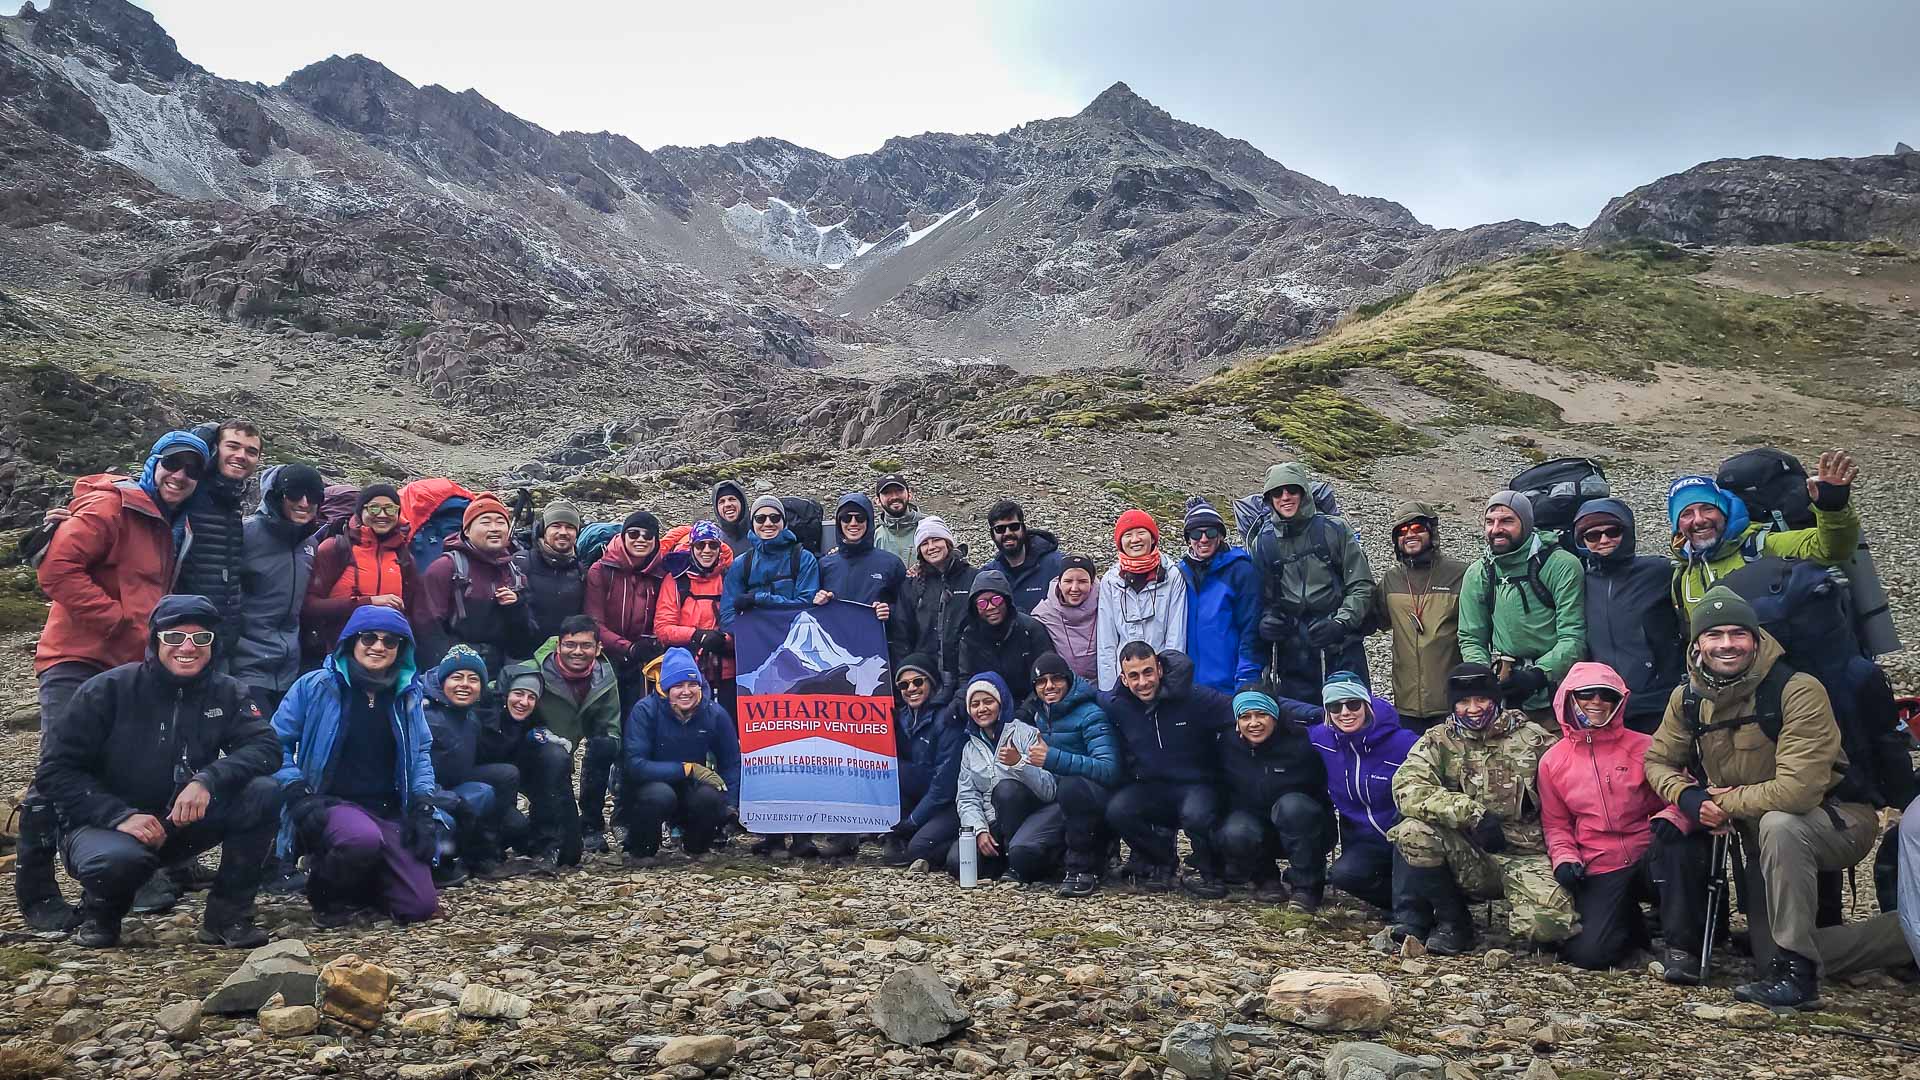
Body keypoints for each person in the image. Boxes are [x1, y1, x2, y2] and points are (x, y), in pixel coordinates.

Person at [1643, 587, 1905, 1006]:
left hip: (1835, 820)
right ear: (1697, 646)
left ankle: (1799, 978)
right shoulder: (1688, 698)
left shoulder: (1797, 690)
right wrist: (1691, 799)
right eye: (1714, 635)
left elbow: (1798, 791)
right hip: (1757, 838)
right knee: (1770, 959)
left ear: (1756, 638)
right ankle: (1904, 934)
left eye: (1737, 634)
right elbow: (1657, 761)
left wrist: (1722, 803)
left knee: (1780, 823)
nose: (1727, 644)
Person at [18, 429, 208, 931]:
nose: (181, 476)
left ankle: (117, 873)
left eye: (193, 471)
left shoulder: (176, 526)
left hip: (129, 666)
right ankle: (35, 889)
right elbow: (56, 569)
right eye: (173, 464)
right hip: (77, 657)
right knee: (59, 763)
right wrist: (121, 623)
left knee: (122, 764)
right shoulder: (113, 505)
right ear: (154, 463)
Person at [34, 595, 282, 948]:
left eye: (201, 638)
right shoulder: (106, 690)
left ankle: (228, 918)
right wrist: (119, 815)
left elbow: (267, 749)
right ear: (155, 642)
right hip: (105, 825)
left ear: (214, 644)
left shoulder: (228, 692)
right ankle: (101, 914)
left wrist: (208, 779)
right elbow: (54, 772)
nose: (188, 648)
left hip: (180, 822)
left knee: (263, 791)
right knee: (117, 861)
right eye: (175, 637)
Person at [272, 605, 444, 927]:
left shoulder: (407, 695)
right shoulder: (315, 686)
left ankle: (365, 881)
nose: (378, 647)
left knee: (418, 907)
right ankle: (325, 893)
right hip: (329, 805)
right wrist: (297, 792)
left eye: (390, 641)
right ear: (350, 641)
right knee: (360, 839)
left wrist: (423, 806)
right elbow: (272, 745)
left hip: (388, 809)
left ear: (401, 649)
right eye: (368, 637)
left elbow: (421, 752)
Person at [1389, 662, 1571, 955]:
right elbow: (1406, 788)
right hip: (1471, 853)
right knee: (1413, 831)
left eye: (1481, 699)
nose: (1473, 708)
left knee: (1548, 928)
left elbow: (1571, 789)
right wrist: (1471, 813)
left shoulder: (1534, 738)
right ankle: (1454, 923)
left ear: (1495, 699)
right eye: (1463, 701)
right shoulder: (1438, 740)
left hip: (1528, 855)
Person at [1538, 662, 1692, 971]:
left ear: (1619, 701)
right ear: (1569, 698)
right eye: (1587, 694)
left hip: (1650, 851)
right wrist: (1565, 858)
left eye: (1606, 695)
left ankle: (1683, 947)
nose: (1596, 702)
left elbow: (1685, 793)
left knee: (1683, 851)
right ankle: (1632, 926)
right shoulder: (1553, 761)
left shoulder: (1646, 747)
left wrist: (1675, 819)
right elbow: (1556, 824)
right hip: (1600, 862)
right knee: (1589, 955)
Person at [1100, 644, 1230, 896]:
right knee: (1118, 811)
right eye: (1134, 676)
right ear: (1123, 680)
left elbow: (1242, 707)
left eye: (1148, 672)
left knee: (1196, 815)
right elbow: (1079, 693)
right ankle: (1163, 859)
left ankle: (1210, 872)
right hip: (1151, 786)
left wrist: (1312, 714)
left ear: (1160, 669)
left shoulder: (1195, 697)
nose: (1143, 682)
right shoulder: (1118, 704)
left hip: (1197, 783)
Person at [1667, 450, 1860, 615]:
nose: (1699, 519)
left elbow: (1830, 549)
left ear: (1725, 512)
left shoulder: (1762, 545)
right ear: (1678, 525)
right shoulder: (1682, 574)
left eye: (1708, 509)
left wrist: (1832, 509)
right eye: (1686, 514)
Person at [1250, 463, 1373, 705]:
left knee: (1351, 717)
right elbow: (1262, 597)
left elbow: (1361, 584)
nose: (1285, 497)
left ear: (1304, 492)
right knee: (1300, 725)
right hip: (1292, 652)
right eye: (1277, 492)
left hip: (1340, 646)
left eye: (1292, 490)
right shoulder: (1263, 543)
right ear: (1269, 499)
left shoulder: (1335, 530)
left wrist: (1340, 623)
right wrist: (1267, 621)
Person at [1457, 491, 1585, 721]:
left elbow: (1573, 637)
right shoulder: (1479, 572)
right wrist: (1484, 677)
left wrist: (1538, 674)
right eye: (1490, 521)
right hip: (1502, 696)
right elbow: (1470, 636)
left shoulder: (1561, 565)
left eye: (1507, 521)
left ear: (1526, 523)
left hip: (1555, 695)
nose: (1496, 529)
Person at [1308, 672, 1421, 922]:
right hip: (1365, 842)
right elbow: (1281, 717)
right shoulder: (1322, 738)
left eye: (1353, 704)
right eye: (1335, 706)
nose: (1345, 712)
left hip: (1406, 838)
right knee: (1343, 874)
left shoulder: (1404, 742)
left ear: (1367, 704)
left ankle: (1416, 913)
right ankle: (1407, 905)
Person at [1568, 500, 1683, 735]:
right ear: (1582, 542)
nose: (1604, 540)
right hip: (1606, 701)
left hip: (1659, 699)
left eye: (1613, 531)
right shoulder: (1581, 580)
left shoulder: (1659, 571)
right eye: (1592, 536)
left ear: (1628, 532)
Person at [1212, 683, 1331, 908]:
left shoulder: (1302, 743)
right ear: (1237, 722)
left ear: (1275, 716)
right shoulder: (1227, 744)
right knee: (1234, 831)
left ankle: (1307, 887)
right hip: (1255, 826)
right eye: (1245, 717)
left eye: (1261, 715)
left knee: (1293, 808)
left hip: (1303, 827)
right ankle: (1265, 879)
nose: (1254, 723)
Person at [621, 647, 741, 862]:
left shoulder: (714, 713)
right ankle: (640, 848)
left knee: (709, 797)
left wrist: (730, 804)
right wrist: (687, 769)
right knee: (660, 796)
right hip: (650, 783)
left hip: (690, 788)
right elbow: (635, 764)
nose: (686, 691)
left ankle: (696, 846)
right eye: (677, 686)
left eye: (692, 684)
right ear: (666, 689)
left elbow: (731, 760)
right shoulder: (645, 710)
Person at [1365, 502, 1467, 733]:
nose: (1410, 534)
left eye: (1417, 528)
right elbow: (1371, 621)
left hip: (1452, 701)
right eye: (1402, 531)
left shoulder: (1461, 574)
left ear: (1432, 532)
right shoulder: (1391, 579)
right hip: (1406, 704)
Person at [1027, 652, 1122, 898]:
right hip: (1058, 797)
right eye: (1041, 681)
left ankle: (1083, 868)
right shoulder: (1040, 716)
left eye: (1056, 679)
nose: (1049, 686)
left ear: (1068, 680)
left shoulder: (1091, 714)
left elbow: (1108, 769)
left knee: (1071, 787)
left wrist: (1053, 758)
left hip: (1094, 796)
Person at [950, 671, 1061, 882]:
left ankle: (1017, 860)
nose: (982, 709)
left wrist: (1018, 764)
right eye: (975, 704)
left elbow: (1049, 790)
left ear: (1001, 703)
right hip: (992, 821)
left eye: (988, 702)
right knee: (958, 863)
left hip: (1027, 813)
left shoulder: (1026, 733)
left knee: (1006, 789)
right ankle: (1000, 861)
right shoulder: (970, 747)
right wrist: (979, 830)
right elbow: (966, 796)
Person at [233, 464, 326, 713]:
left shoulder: (310, 544)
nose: (305, 503)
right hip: (246, 668)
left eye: (314, 495)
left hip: (289, 671)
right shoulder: (245, 533)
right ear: (277, 495)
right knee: (260, 746)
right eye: (294, 493)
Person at [422, 646, 520, 882]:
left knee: (505, 776)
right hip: (427, 795)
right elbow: (414, 777)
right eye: (456, 677)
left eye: (473, 679)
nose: (464, 684)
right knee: (447, 816)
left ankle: (484, 853)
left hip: (454, 781)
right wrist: (451, 801)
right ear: (443, 681)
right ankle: (438, 862)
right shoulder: (427, 715)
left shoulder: (469, 714)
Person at [531, 615, 623, 855]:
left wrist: (611, 743)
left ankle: (592, 823)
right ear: (558, 645)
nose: (577, 651)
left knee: (606, 746)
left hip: (578, 736)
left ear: (598, 647)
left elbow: (610, 724)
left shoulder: (604, 675)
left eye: (586, 645)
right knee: (555, 761)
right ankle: (546, 829)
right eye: (570, 645)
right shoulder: (535, 670)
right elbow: (502, 689)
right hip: (541, 746)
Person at [417, 492, 537, 673]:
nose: (494, 528)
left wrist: (516, 607)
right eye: (485, 522)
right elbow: (428, 630)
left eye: (500, 522)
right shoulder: (445, 568)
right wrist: (450, 671)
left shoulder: (514, 572)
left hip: (499, 672)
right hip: (455, 672)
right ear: (466, 531)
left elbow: (523, 643)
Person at [304, 484, 421, 665]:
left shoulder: (404, 557)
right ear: (360, 512)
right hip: (335, 654)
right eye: (374, 507)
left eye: (390, 508)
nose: (382, 515)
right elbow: (310, 606)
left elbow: (413, 611)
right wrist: (368, 602)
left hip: (385, 659)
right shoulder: (335, 549)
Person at [176, 420, 264, 658]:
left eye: (251, 451)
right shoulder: (188, 492)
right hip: (180, 638)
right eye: (232, 446)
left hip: (218, 640)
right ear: (215, 450)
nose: (241, 455)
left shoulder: (232, 503)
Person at [884, 655, 966, 868]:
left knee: (918, 850)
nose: (911, 688)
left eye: (918, 681)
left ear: (931, 682)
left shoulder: (947, 719)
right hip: (921, 795)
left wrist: (913, 821)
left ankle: (962, 846)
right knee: (890, 771)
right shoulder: (898, 718)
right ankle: (899, 835)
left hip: (948, 803)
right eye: (903, 684)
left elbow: (944, 784)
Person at [587, 509, 667, 719]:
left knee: (639, 718)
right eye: (633, 534)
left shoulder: (661, 574)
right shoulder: (600, 570)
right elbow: (594, 622)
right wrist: (628, 648)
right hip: (607, 656)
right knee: (607, 720)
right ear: (622, 536)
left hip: (645, 658)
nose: (640, 539)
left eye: (648, 535)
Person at [1096, 510, 1187, 691]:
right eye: (1128, 535)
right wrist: (1109, 692)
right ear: (1120, 543)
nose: (1135, 539)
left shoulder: (1172, 576)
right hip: (1124, 677)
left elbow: (1176, 636)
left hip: (1161, 675)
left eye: (1141, 532)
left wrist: (1170, 682)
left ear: (1153, 538)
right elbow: (1106, 641)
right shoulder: (1111, 581)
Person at [498, 660, 578, 865]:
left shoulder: (536, 722)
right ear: (506, 694)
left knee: (556, 758)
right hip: (495, 783)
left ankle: (548, 843)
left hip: (526, 774)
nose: (523, 702)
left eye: (531, 697)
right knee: (512, 823)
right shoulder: (488, 716)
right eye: (518, 694)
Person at [1176, 498, 1260, 694]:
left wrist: (1247, 677)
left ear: (1221, 536)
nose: (1203, 539)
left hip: (1229, 685)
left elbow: (1251, 629)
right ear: (1188, 539)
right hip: (1189, 688)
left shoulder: (1241, 570)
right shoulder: (1179, 573)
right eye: (1196, 533)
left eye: (1211, 532)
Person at [654, 521, 736, 715]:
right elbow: (663, 628)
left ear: (719, 548)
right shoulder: (676, 580)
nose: (706, 550)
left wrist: (725, 639)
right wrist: (697, 635)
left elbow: (743, 623)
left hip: (727, 672)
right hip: (686, 673)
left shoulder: (730, 578)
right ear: (691, 548)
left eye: (712, 545)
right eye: (700, 545)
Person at [898, 516, 977, 701]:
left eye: (936, 540)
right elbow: (902, 633)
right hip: (926, 676)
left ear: (948, 542)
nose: (931, 547)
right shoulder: (912, 585)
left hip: (966, 671)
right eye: (924, 543)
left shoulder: (973, 577)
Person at [719, 496, 821, 629]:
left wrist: (760, 599)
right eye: (760, 518)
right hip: (755, 640)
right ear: (752, 524)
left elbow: (807, 605)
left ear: (784, 522)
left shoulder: (803, 559)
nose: (768, 523)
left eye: (775, 518)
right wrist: (757, 632)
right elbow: (727, 616)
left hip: (795, 638)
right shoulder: (742, 563)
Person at [817, 492, 907, 640]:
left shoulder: (891, 564)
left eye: (860, 517)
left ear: (869, 521)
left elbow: (906, 608)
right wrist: (818, 601)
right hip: (835, 646)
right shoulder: (825, 564)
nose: (853, 523)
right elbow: (810, 611)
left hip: (877, 647)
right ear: (839, 522)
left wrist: (888, 611)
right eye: (846, 518)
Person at [957, 570, 1056, 703]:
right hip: (988, 706)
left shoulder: (1031, 629)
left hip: (1030, 705)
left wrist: (1025, 712)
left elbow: (1046, 675)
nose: (991, 607)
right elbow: (966, 678)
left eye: (996, 600)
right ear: (975, 608)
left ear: (1007, 600)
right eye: (982, 603)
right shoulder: (969, 636)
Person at [513, 500, 589, 651]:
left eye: (570, 527)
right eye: (556, 526)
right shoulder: (521, 562)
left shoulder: (580, 570)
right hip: (522, 656)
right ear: (543, 530)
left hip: (564, 657)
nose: (563, 532)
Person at [981, 499, 1066, 614]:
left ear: (1024, 529)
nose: (1007, 533)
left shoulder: (1057, 565)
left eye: (1014, 527)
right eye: (1000, 529)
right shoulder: (988, 574)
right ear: (992, 535)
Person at [1032, 555, 1099, 682]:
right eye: (1068, 581)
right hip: (1062, 688)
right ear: (1059, 582)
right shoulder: (1044, 614)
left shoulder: (1105, 606)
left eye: (1082, 581)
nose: (1074, 588)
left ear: (1092, 583)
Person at [873, 473, 923, 565]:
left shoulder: (927, 527)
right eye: (887, 493)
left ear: (909, 494)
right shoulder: (874, 536)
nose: (894, 497)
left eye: (899, 491)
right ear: (878, 500)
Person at [710, 479, 750, 552]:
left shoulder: (759, 533)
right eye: (721, 501)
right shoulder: (713, 543)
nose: (727, 504)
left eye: (732, 499)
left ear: (742, 503)